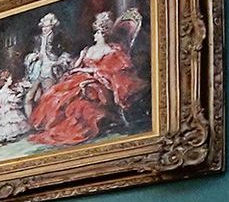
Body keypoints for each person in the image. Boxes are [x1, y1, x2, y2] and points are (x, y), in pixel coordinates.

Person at [29, 10, 144, 147]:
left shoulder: (112, 51)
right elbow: (75, 66)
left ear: (104, 34)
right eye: (95, 32)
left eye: (98, 33)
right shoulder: (88, 49)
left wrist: (86, 71)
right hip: (79, 77)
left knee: (80, 98)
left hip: (98, 81)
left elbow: (110, 71)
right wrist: (81, 59)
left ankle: (75, 126)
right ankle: (51, 124)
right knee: (57, 93)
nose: (95, 36)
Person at [0, 70, 31, 144]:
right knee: (5, 124)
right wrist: (18, 95)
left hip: (8, 110)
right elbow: (8, 101)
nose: (11, 81)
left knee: (11, 124)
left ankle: (9, 137)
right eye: (10, 79)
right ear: (6, 81)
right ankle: (0, 139)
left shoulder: (7, 90)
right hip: (4, 112)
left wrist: (20, 93)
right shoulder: (2, 92)